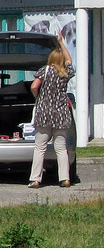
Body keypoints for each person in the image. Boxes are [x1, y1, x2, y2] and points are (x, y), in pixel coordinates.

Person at [28, 34, 74, 188]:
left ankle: (36, 179)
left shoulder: (44, 70)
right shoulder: (65, 72)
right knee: (61, 148)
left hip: (44, 113)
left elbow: (34, 86)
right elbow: (69, 61)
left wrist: (38, 97)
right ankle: (65, 179)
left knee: (40, 147)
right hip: (61, 114)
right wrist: (61, 43)